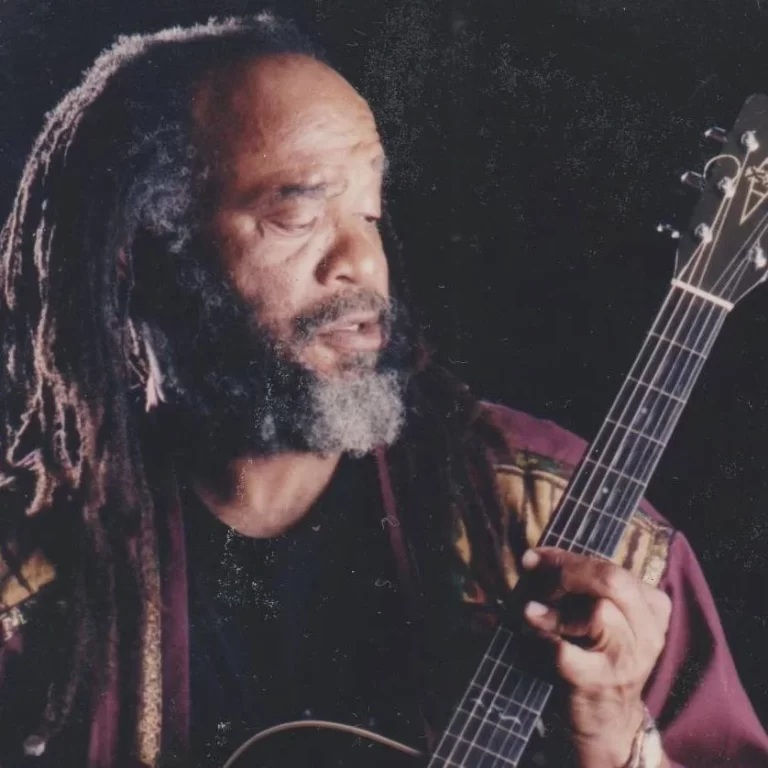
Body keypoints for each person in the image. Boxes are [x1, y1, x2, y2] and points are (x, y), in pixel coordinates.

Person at [0, 13, 764, 768]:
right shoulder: (22, 582)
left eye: (369, 211)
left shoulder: (566, 525)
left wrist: (618, 739)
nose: (362, 263)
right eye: (297, 212)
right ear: (145, 253)